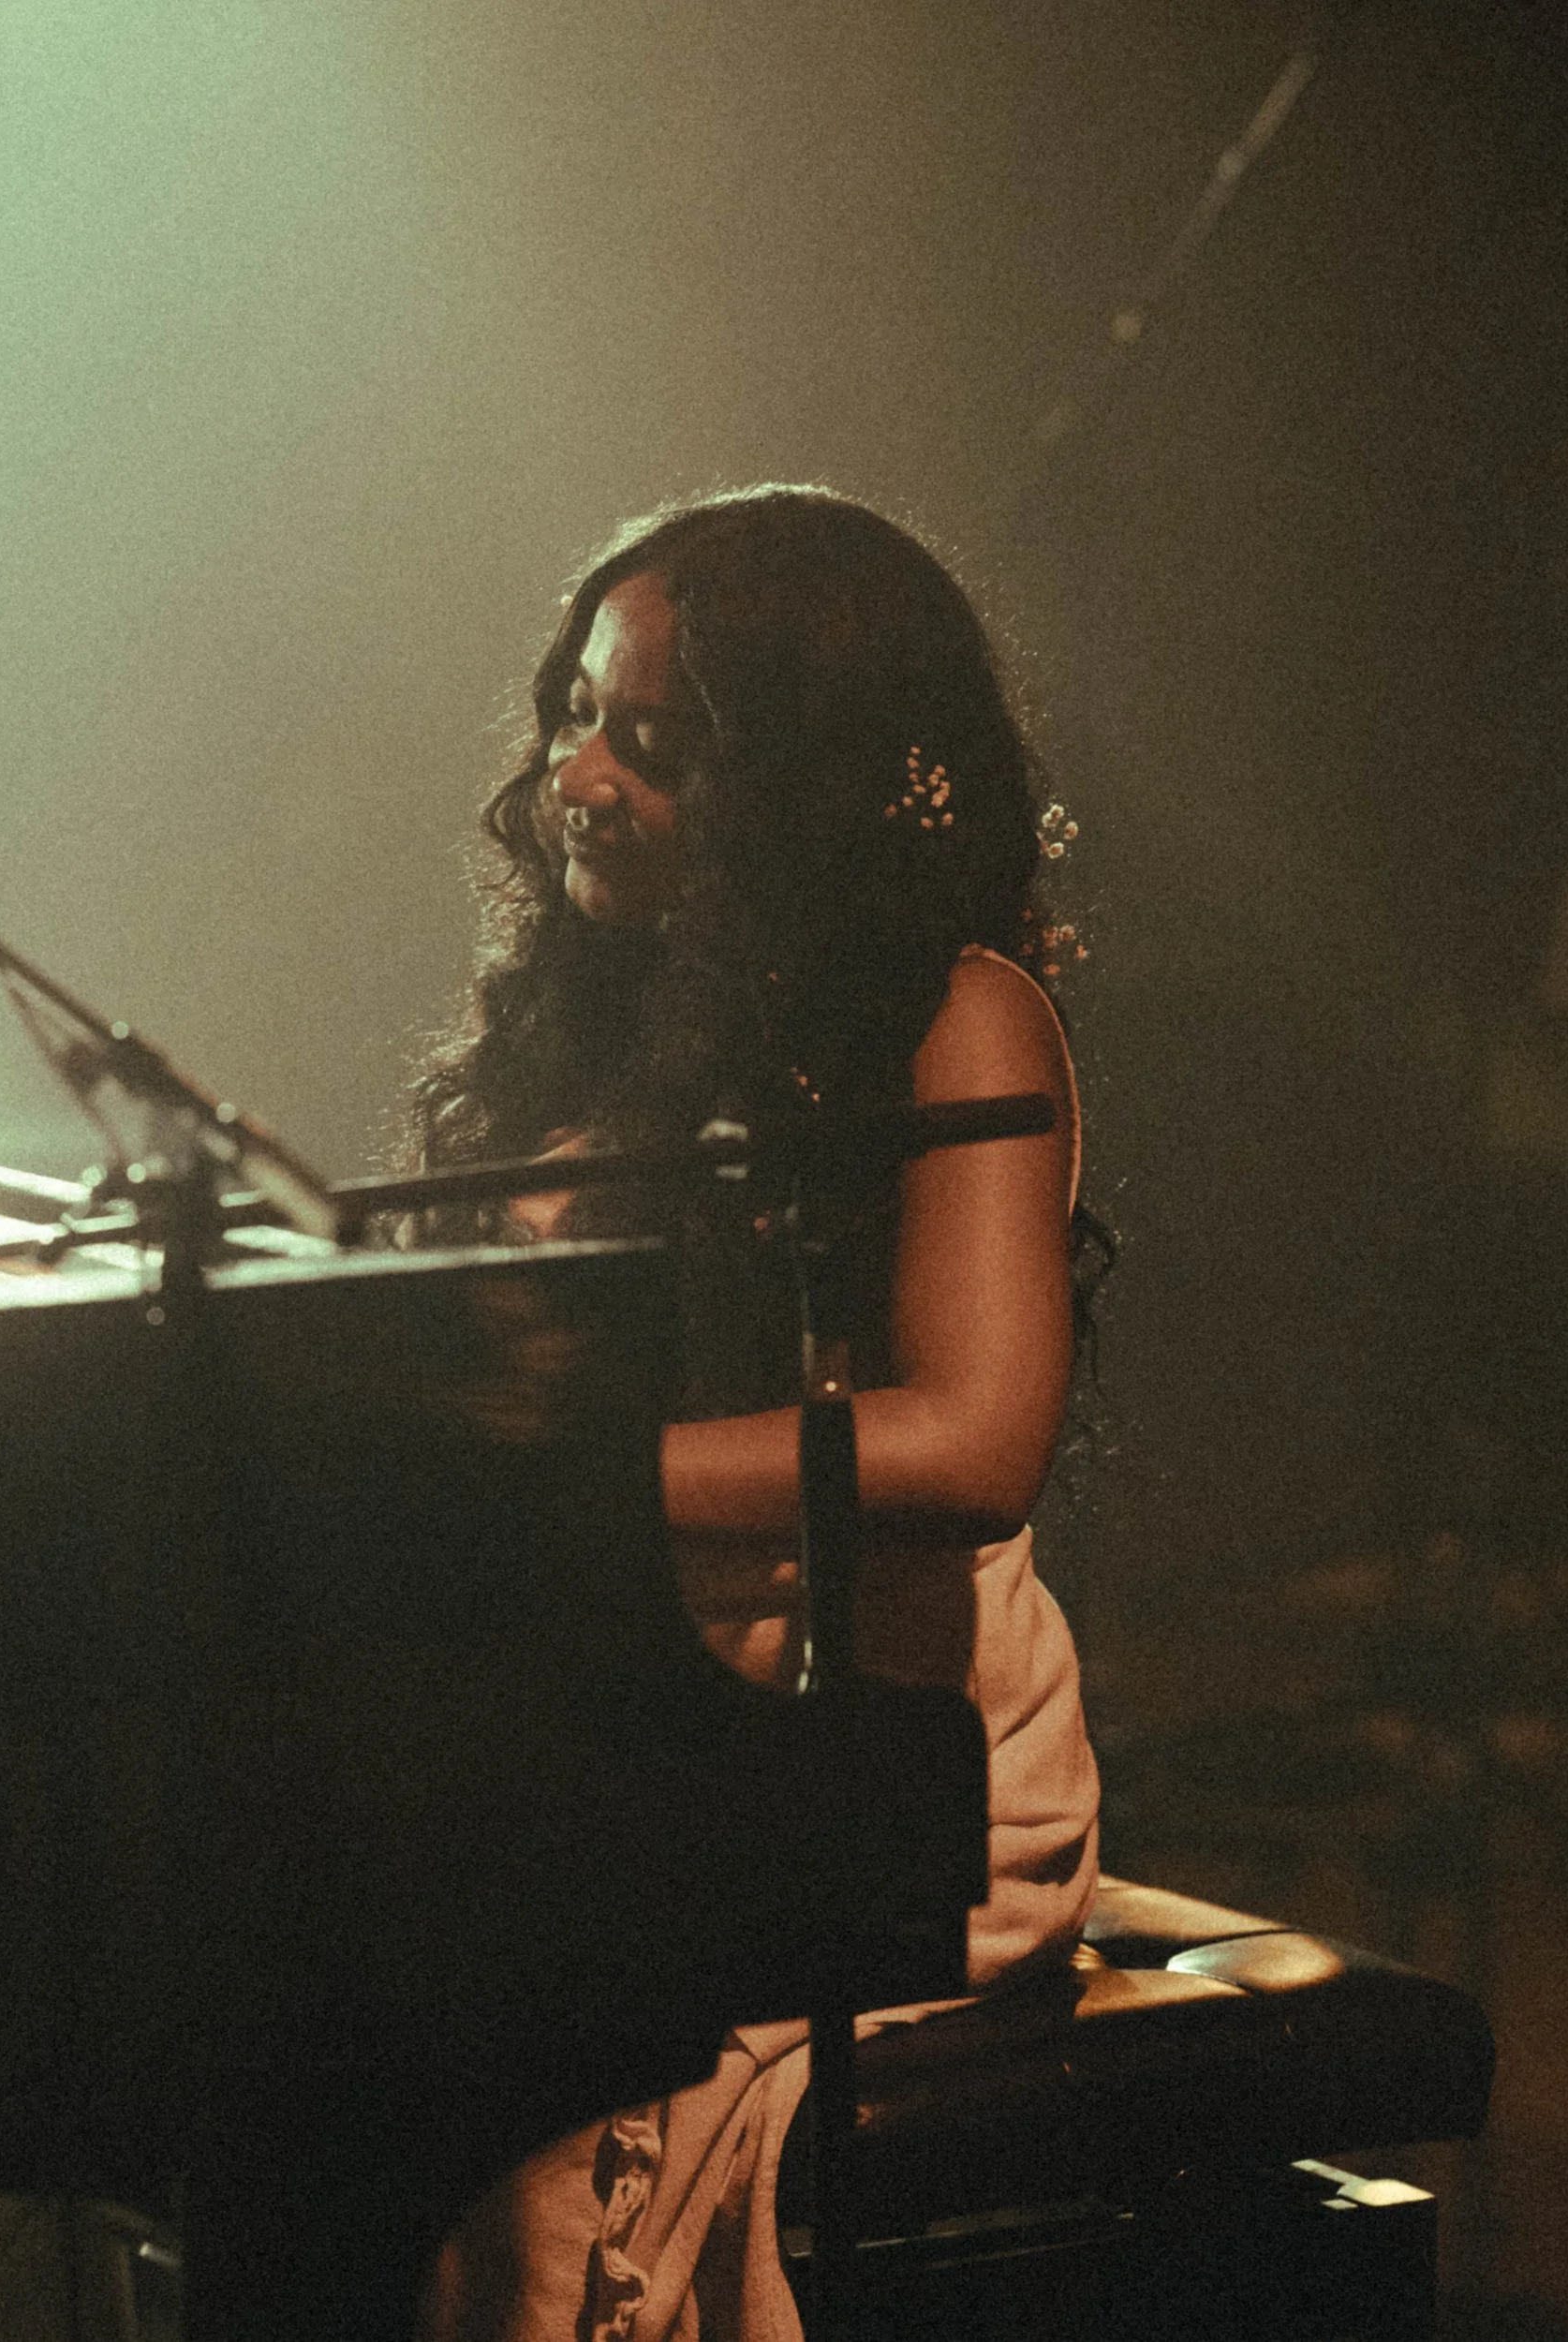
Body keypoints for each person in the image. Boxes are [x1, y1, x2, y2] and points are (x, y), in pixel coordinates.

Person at [407, 486, 1101, 2342]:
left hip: (882, 1784)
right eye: (571, 714)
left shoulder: (952, 1020)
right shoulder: (582, 1037)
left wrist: (548, 1483)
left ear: (799, 782)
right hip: (616, 1732)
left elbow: (968, 1439)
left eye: (653, 741)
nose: (577, 775)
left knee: (507, 2106)